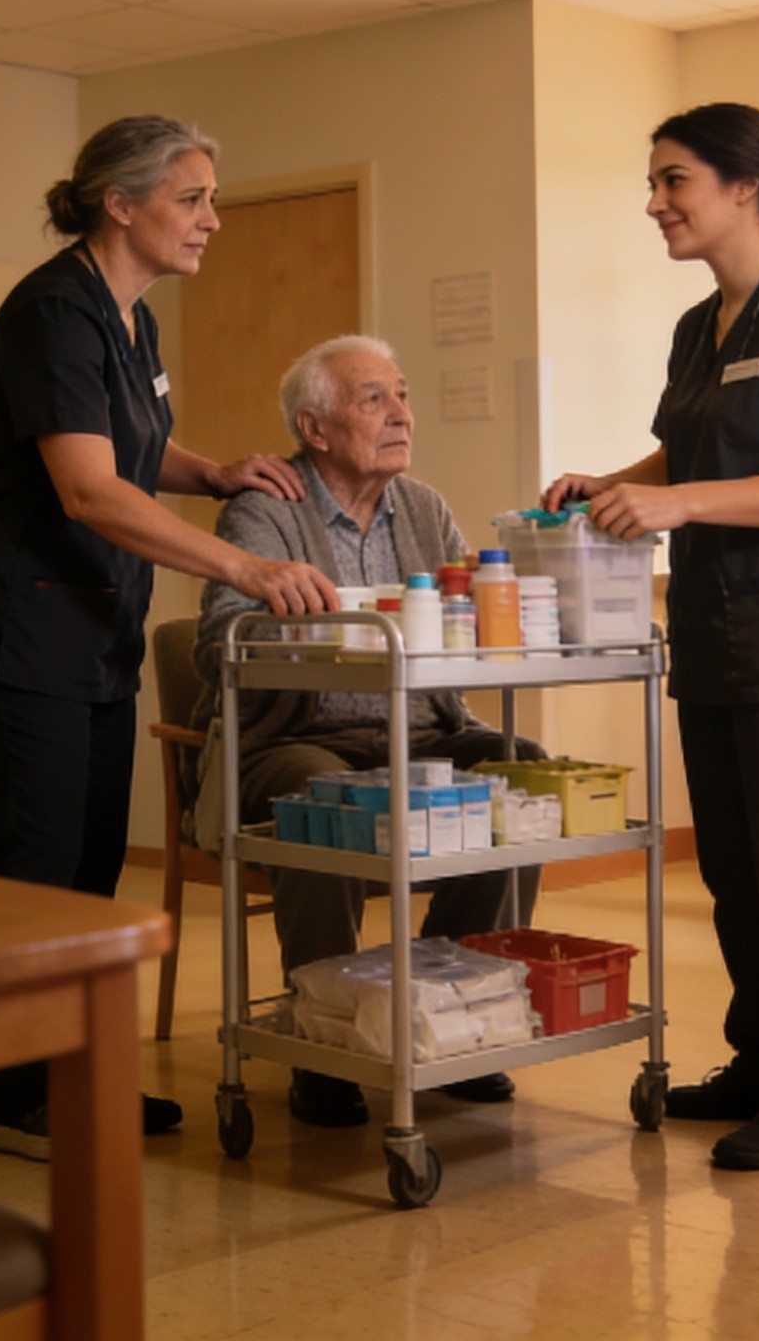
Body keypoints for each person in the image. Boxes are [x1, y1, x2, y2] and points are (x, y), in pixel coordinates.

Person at [0, 114, 337, 1163]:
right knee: (37, 866)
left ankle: (74, 1075)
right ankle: (13, 1098)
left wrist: (213, 474)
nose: (209, 219)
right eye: (191, 198)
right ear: (121, 201)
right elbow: (86, 485)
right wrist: (241, 563)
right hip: (22, 629)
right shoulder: (54, 312)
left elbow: (133, 447)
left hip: (89, 629)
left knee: (91, 863)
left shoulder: (129, 316)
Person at [542, 101, 759, 1172]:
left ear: (746, 185)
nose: (655, 204)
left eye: (673, 181)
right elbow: (684, 457)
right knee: (734, 877)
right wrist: (614, 484)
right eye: (652, 184)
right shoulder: (701, 326)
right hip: (716, 637)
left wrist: (679, 504)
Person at [188, 335, 547, 1129]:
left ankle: (453, 1007)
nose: (401, 415)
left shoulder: (423, 506)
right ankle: (330, 1035)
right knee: (329, 792)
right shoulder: (262, 508)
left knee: (518, 766)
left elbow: (469, 624)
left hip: (423, 733)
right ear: (315, 429)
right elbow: (219, 643)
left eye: (403, 395)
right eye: (373, 399)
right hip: (296, 737)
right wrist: (309, 628)